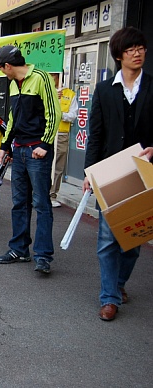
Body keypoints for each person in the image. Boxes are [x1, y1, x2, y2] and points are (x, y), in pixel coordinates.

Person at [83, 27, 153, 321]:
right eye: (130, 50)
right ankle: (109, 297)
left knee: (134, 238)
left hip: (143, 170)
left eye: (141, 48)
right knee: (107, 237)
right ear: (118, 55)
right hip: (110, 172)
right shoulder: (103, 90)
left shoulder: (151, 86)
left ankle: (120, 284)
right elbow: (95, 135)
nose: (137, 53)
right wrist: (90, 172)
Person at [0, 45, 61, 274]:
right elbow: (13, 118)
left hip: (36, 151)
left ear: (7, 66)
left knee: (41, 203)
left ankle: (43, 255)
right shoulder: (13, 85)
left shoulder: (40, 78)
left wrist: (44, 144)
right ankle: (19, 249)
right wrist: (4, 145)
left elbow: (54, 112)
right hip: (19, 150)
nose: (1, 72)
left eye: (1, 68)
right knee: (20, 202)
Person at [49, 73, 78, 208]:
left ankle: (52, 195)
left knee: (58, 167)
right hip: (46, 132)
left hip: (61, 134)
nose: (51, 77)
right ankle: (37, 194)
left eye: (53, 75)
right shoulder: (45, 90)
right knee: (42, 165)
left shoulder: (70, 94)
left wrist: (60, 115)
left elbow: (73, 116)